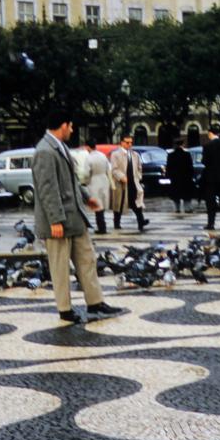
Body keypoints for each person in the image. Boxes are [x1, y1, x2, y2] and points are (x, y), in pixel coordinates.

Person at [32, 110, 123, 323]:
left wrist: (86, 197)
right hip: (58, 221)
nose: (72, 130)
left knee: (87, 259)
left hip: (75, 217)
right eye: (71, 126)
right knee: (60, 267)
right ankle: (65, 309)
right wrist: (55, 220)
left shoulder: (61, 147)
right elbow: (47, 189)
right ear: (63, 125)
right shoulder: (45, 151)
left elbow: (71, 181)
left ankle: (95, 302)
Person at [110, 135, 148, 232]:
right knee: (119, 203)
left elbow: (139, 168)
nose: (129, 144)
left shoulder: (135, 154)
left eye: (131, 142)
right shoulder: (115, 154)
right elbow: (114, 169)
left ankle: (141, 221)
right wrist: (121, 177)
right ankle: (117, 222)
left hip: (133, 183)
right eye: (127, 142)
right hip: (121, 183)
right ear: (122, 143)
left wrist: (138, 177)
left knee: (136, 202)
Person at [201, 126, 220, 230]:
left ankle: (211, 223)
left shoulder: (207, 146)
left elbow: (204, 161)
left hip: (210, 177)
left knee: (210, 201)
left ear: (210, 134)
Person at [83, 139, 112, 234]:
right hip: (104, 180)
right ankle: (102, 226)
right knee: (102, 204)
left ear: (88, 147)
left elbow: (86, 173)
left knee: (97, 205)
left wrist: (85, 182)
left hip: (94, 181)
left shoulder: (89, 158)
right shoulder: (103, 155)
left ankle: (101, 227)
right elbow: (109, 168)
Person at [166, 139, 195, 213]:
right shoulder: (187, 154)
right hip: (186, 178)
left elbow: (168, 167)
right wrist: (191, 176)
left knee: (176, 196)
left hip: (175, 178)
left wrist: (169, 176)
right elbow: (190, 167)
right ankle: (187, 208)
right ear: (183, 144)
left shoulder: (171, 155)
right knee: (186, 196)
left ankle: (177, 209)